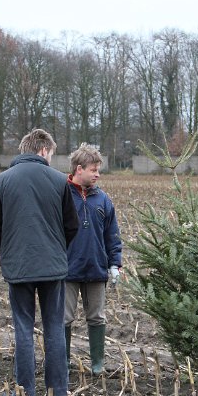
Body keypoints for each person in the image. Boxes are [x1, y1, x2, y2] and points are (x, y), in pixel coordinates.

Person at [0, 128, 79, 396]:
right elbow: (71, 225)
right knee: (54, 328)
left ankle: (25, 392)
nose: (51, 158)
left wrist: (10, 251)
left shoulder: (1, 181)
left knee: (23, 329)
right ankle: (58, 392)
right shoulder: (60, 181)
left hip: (18, 267)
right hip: (53, 267)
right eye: (51, 153)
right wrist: (56, 250)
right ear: (42, 150)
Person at [63, 143, 123, 375]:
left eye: (99, 170)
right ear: (79, 169)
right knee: (64, 318)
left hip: (96, 270)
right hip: (67, 270)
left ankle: (97, 364)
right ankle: (63, 362)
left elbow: (112, 235)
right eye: (93, 170)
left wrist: (114, 263)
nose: (97, 174)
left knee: (97, 317)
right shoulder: (62, 196)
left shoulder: (103, 200)